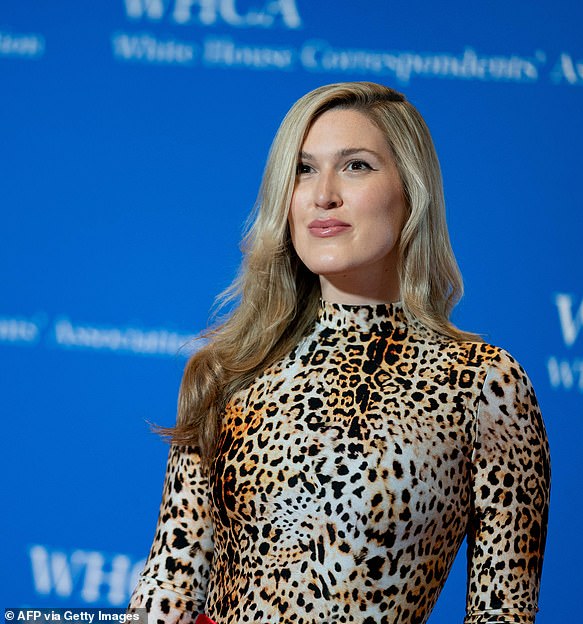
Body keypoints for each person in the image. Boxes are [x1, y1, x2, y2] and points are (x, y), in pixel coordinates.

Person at [128, 82, 550, 624]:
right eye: (303, 169)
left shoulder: (484, 384)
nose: (323, 194)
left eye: (355, 166)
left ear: (411, 192)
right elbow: (169, 584)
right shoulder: (228, 370)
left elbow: (503, 612)